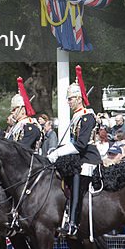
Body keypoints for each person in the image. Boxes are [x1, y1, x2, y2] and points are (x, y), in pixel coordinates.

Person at [47, 82, 101, 238]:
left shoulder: (87, 116)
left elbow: (81, 144)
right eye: (68, 99)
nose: (68, 102)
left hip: (89, 158)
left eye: (71, 99)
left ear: (79, 98)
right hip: (79, 157)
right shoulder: (77, 116)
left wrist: (58, 153)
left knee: (76, 175)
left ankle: (73, 223)